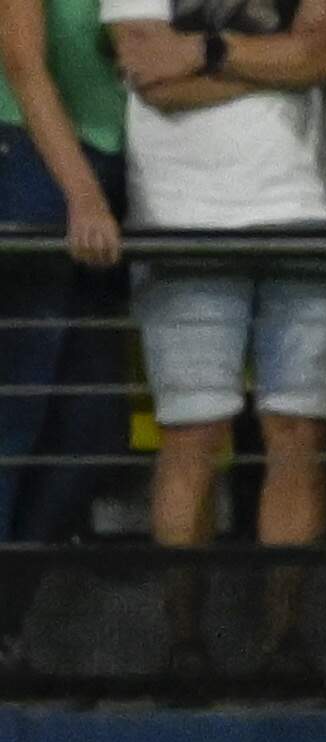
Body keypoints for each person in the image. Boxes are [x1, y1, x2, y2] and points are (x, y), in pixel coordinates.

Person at [98, 0, 326, 689]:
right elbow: (153, 77)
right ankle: (183, 647)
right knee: (192, 439)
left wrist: (204, 52)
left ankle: (286, 644)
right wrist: (282, 61)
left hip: (308, 214)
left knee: (297, 436)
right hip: (181, 223)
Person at [0, 0, 130, 671]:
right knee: (14, 419)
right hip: (30, 165)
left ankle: (6, 620)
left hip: (107, 171)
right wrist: (80, 192)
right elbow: (21, 60)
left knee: (92, 428)